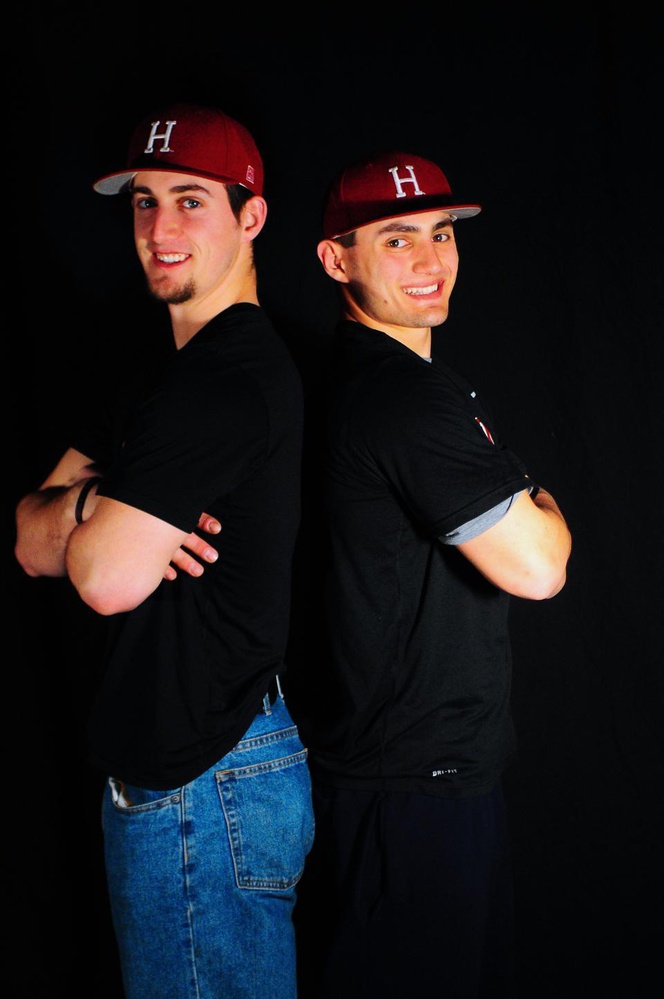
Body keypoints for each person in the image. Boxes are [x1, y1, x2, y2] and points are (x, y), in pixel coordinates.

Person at [15, 101, 314, 999]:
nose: (160, 229)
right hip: (191, 770)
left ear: (250, 216)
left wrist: (88, 526)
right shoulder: (159, 374)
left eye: (190, 201)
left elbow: (103, 577)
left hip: (205, 781)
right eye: (144, 202)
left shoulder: (226, 378)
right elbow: (29, 537)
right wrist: (103, 501)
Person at [293, 151, 572, 999]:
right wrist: (535, 494)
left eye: (442, 234)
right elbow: (539, 563)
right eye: (398, 239)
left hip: (403, 781)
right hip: (408, 796)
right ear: (335, 260)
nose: (431, 261)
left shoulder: (383, 381)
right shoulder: (401, 399)